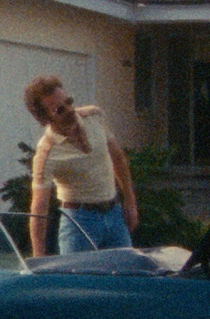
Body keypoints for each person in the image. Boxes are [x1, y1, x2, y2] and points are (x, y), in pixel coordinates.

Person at [23, 75, 139, 257]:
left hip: (114, 213)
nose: (69, 110)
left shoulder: (94, 116)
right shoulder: (47, 152)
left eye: (69, 102)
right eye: (59, 110)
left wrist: (130, 201)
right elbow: (39, 208)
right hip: (79, 222)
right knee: (76, 280)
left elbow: (118, 158)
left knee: (127, 278)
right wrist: (38, 257)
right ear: (45, 118)